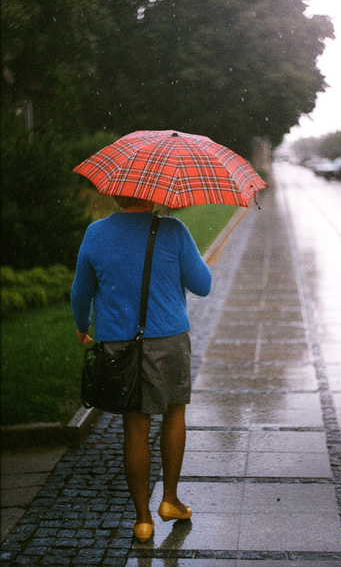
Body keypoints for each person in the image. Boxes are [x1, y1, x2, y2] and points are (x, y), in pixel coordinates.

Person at [71, 196, 212, 543]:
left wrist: (82, 325)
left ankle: (143, 520)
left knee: (135, 426)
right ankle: (170, 500)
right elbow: (203, 285)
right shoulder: (173, 230)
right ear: (153, 194)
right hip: (169, 340)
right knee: (174, 413)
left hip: (119, 344)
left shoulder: (95, 233)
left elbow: (81, 291)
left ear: (117, 193)